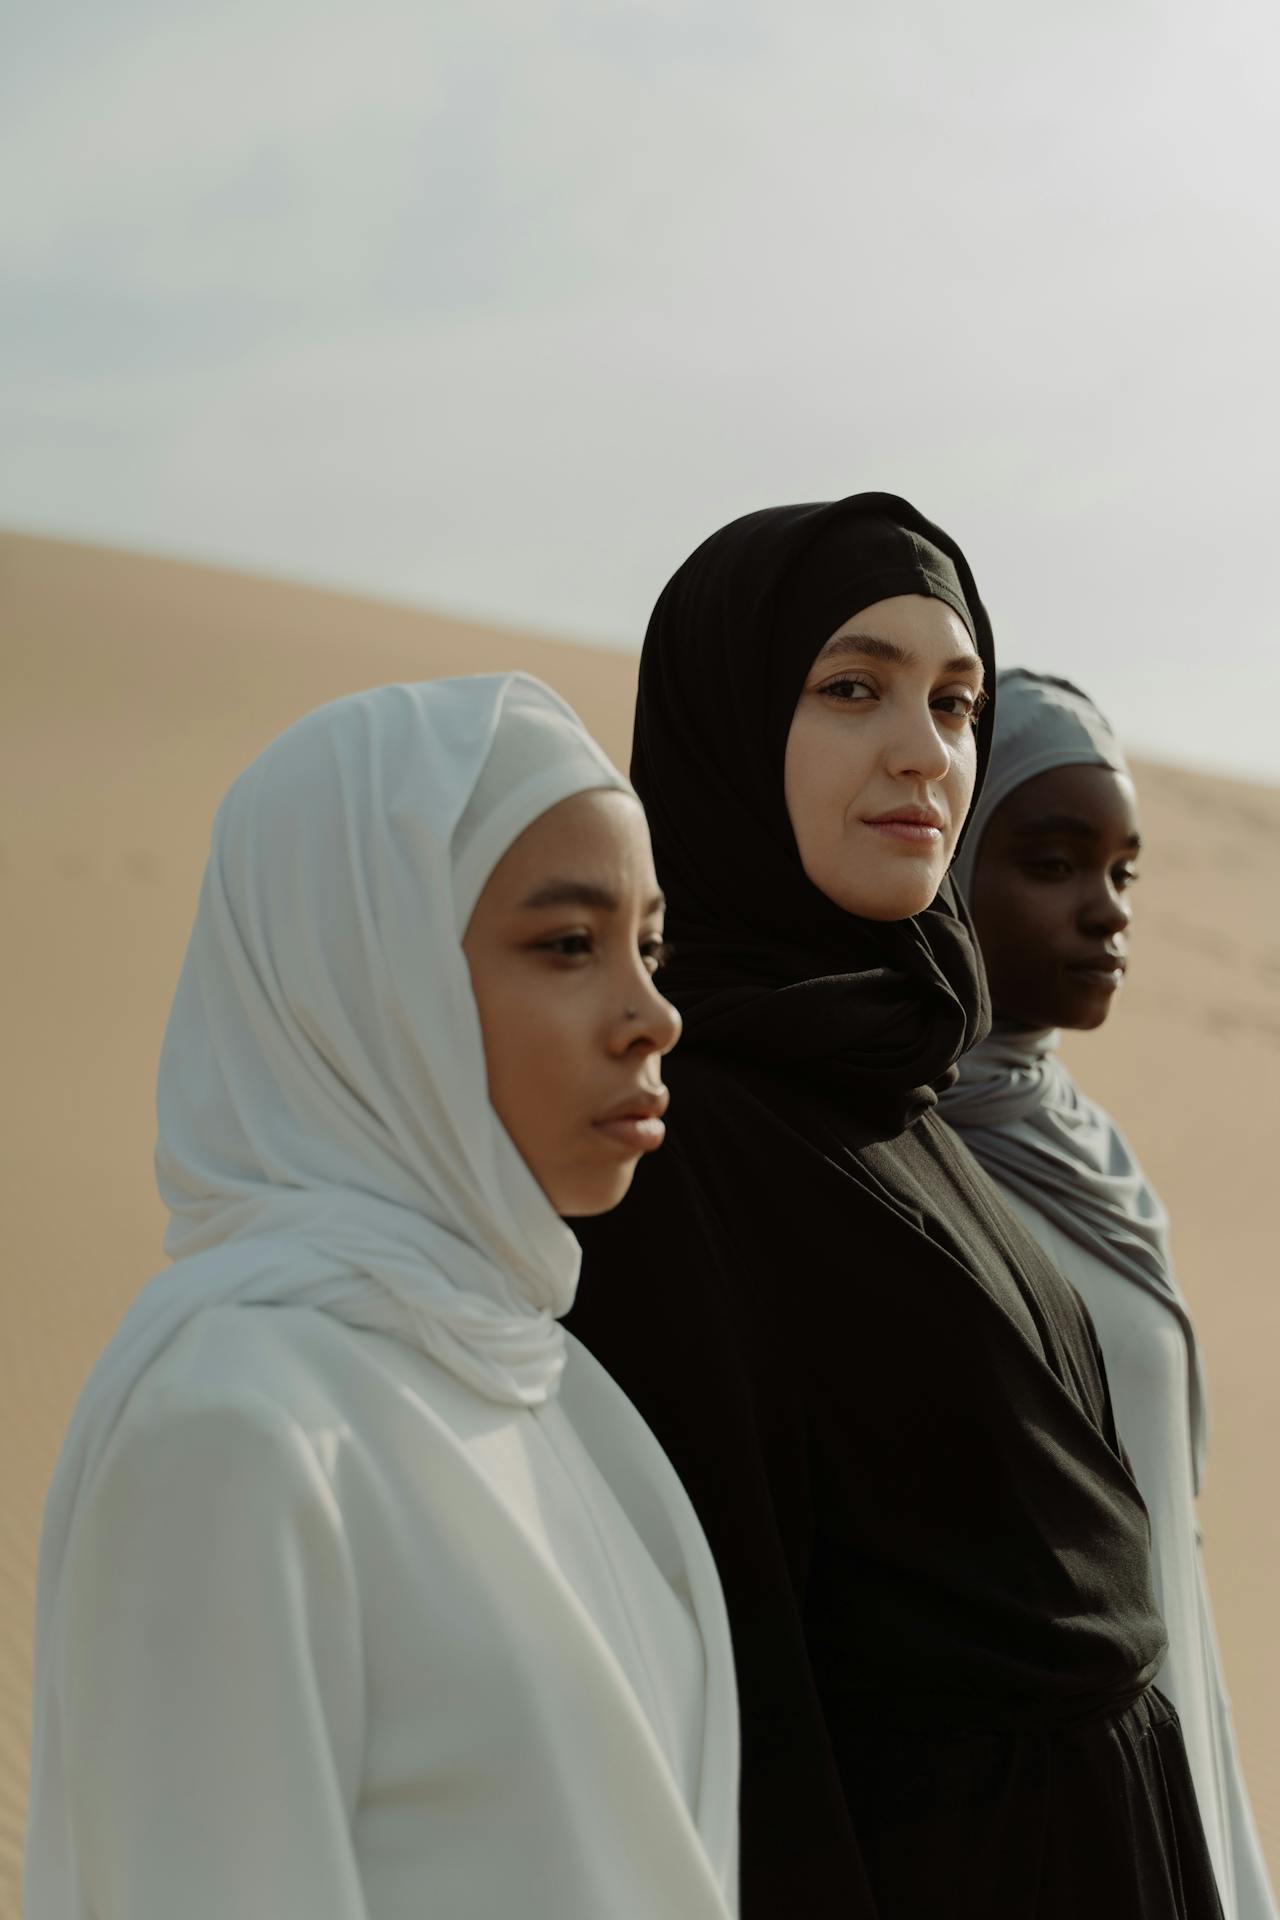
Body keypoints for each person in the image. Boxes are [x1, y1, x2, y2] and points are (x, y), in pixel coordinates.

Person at [565, 495, 1224, 1919]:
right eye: (852, 688)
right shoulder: (673, 1133)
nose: (924, 752)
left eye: (955, 700)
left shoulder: (895, 1084)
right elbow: (744, 1704)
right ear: (733, 721)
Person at [25, 673, 739, 1920]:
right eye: (567, 944)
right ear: (360, 976)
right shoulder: (235, 1432)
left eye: (650, 944)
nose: (651, 1015)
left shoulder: (542, 1386)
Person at [941, 666, 1276, 1920]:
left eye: (1123, 873)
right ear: (946, 859)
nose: (1104, 912)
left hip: (1171, 1750)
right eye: (1049, 860)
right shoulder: (889, 1164)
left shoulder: (1091, 1151)